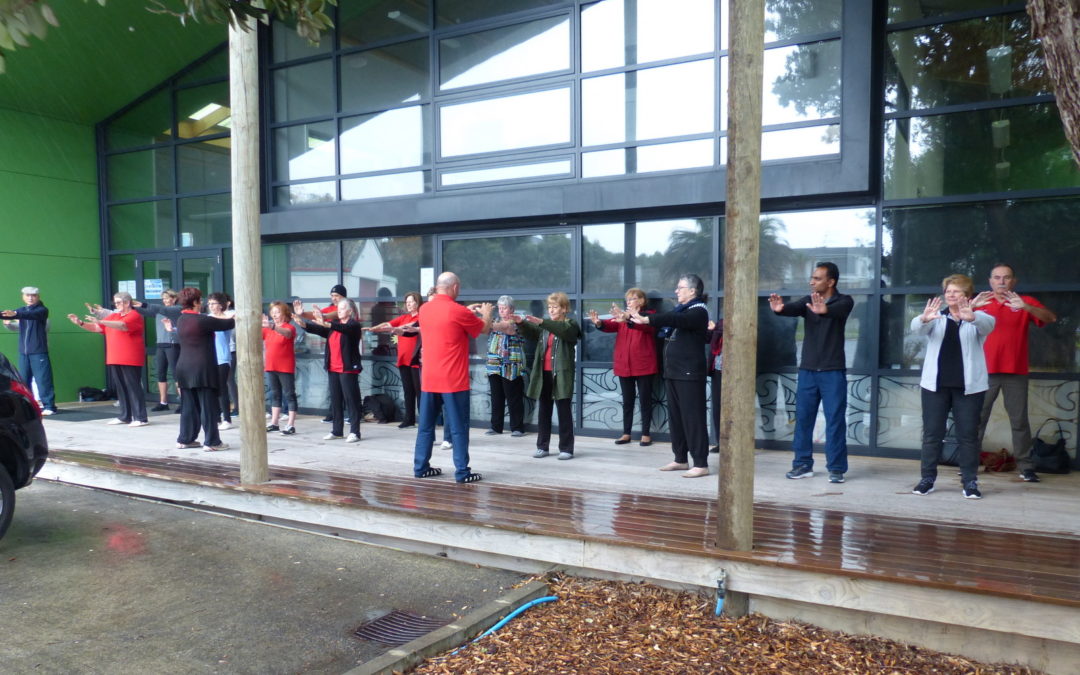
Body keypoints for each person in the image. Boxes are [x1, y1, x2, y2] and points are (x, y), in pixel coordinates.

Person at [910, 274, 996, 499]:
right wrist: (924, 319)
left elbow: (989, 326)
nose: (951, 295)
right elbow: (916, 328)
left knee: (968, 436)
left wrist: (972, 317)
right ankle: (927, 478)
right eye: (948, 291)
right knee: (931, 435)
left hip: (969, 388)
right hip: (935, 386)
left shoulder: (978, 318)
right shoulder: (937, 317)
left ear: (967, 295)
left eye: (956, 291)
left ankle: (970, 481)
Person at [971, 264, 1058, 483]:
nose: (1001, 281)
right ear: (990, 281)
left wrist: (1027, 307)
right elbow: (955, 324)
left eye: (1006, 278)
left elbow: (1050, 318)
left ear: (1014, 282)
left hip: (1015, 371)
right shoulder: (981, 302)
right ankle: (968, 464)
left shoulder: (1024, 301)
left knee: (1019, 421)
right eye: (997, 278)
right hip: (983, 372)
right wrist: (971, 308)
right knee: (976, 419)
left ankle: (1025, 467)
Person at [769, 262, 854, 484]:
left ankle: (836, 468)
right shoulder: (808, 300)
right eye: (812, 278)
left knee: (835, 420)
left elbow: (836, 311)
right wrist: (780, 309)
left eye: (817, 278)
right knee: (804, 419)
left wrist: (824, 310)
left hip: (832, 372)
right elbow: (793, 308)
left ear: (831, 281)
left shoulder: (844, 301)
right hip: (807, 371)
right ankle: (802, 465)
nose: (812, 281)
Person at [412, 272, 492, 483]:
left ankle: (421, 467)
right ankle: (462, 472)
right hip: (453, 380)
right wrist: (486, 313)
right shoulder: (457, 311)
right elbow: (483, 328)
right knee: (458, 427)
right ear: (455, 287)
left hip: (429, 378)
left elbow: (445, 317)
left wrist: (466, 310)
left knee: (426, 426)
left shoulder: (424, 309)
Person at [628, 275, 710, 478]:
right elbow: (663, 323)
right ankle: (680, 459)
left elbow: (675, 320)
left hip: (689, 373)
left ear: (692, 291)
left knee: (693, 419)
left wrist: (648, 318)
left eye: (680, 287)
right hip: (673, 372)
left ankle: (701, 463)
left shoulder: (698, 311)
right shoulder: (680, 310)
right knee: (676, 419)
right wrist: (631, 320)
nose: (676, 291)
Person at [168, 287, 235, 451]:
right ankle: (212, 442)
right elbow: (228, 323)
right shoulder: (203, 320)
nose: (202, 303)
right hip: (202, 368)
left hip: (183, 368)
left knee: (189, 406)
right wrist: (236, 315)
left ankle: (185, 439)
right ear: (196, 302)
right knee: (208, 406)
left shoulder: (181, 319)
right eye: (201, 300)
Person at [588, 288, 657, 447]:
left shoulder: (649, 315)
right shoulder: (622, 316)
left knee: (645, 400)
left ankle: (646, 434)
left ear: (641, 301)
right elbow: (610, 325)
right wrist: (598, 322)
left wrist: (629, 319)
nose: (629, 301)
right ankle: (626, 433)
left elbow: (646, 327)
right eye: (628, 299)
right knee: (627, 400)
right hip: (625, 364)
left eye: (633, 298)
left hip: (644, 364)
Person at [67, 291, 148, 427]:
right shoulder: (114, 316)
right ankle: (125, 416)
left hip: (130, 357)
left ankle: (140, 417)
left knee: (133, 387)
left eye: (118, 302)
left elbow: (122, 325)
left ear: (127, 302)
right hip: (114, 356)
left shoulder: (134, 315)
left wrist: (101, 320)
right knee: (121, 388)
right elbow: (97, 328)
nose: (116, 305)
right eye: (115, 303)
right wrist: (80, 323)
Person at [517, 292, 581, 460]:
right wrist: (521, 323)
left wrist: (543, 322)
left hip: (561, 375)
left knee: (563, 412)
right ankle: (542, 446)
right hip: (543, 374)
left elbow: (565, 332)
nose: (551, 310)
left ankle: (566, 448)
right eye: (550, 307)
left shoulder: (570, 324)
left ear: (564, 309)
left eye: (555, 307)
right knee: (544, 411)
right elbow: (531, 332)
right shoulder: (545, 326)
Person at [301, 298, 364, 442]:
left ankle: (355, 432)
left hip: (347, 368)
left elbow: (343, 329)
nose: (339, 311)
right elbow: (319, 329)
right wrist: (303, 324)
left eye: (342, 309)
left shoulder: (353, 325)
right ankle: (337, 431)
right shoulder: (334, 326)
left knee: (351, 400)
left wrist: (326, 323)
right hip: (333, 367)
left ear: (350, 311)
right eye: (338, 309)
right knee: (336, 400)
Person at [294, 284, 349, 423]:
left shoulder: (348, 307)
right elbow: (316, 317)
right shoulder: (330, 308)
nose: (334, 298)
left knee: (349, 389)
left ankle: (353, 414)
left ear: (344, 297)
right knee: (334, 388)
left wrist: (322, 316)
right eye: (332, 296)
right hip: (333, 353)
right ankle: (334, 416)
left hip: (348, 353)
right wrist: (302, 315)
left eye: (336, 296)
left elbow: (332, 315)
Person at [367, 291, 423, 429]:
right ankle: (409, 419)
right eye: (407, 302)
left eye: (411, 302)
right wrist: (374, 328)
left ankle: (424, 421)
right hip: (403, 359)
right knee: (408, 390)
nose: (409, 304)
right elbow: (388, 323)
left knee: (419, 391)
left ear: (418, 302)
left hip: (415, 360)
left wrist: (395, 328)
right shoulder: (403, 317)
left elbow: (408, 327)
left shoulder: (422, 317)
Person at [2, 286, 56, 415]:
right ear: (23, 297)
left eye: (33, 295)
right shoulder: (22, 310)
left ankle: (49, 406)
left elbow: (29, 315)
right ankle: (28, 407)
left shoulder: (42, 310)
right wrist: (11, 315)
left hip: (38, 351)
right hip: (24, 352)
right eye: (27, 295)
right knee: (24, 380)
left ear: (38, 297)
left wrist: (16, 314)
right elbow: (7, 314)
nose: (30, 298)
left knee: (43, 379)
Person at [132, 290, 183, 412]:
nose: (166, 301)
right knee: (160, 374)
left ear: (174, 299)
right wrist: (130, 305)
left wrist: (141, 304)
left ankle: (183, 402)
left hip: (173, 345)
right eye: (164, 299)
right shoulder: (158, 311)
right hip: (160, 345)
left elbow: (155, 308)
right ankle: (163, 402)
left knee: (176, 374)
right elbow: (142, 310)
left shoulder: (176, 310)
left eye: (168, 298)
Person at [485, 295, 527, 437]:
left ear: (512, 309)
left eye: (505, 308)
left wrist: (485, 318)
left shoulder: (517, 321)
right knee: (496, 397)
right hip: (494, 365)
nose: (502, 311)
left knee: (513, 397)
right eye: (500, 308)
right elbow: (486, 329)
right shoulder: (495, 321)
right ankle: (496, 426)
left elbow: (506, 328)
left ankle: (517, 427)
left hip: (511, 366)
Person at [262, 301, 298, 435]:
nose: (274, 315)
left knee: (289, 394)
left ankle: (290, 424)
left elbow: (287, 333)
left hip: (285, 366)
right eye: (272, 313)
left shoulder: (289, 327)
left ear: (284, 314)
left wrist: (272, 326)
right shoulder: (267, 328)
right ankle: (274, 422)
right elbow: (257, 336)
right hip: (271, 366)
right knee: (274, 394)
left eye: (277, 312)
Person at [207, 293, 235, 430]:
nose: (211, 306)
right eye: (209, 304)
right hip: (210, 357)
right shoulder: (207, 318)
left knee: (222, 387)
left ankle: (227, 419)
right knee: (213, 388)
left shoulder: (227, 318)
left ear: (221, 305)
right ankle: (216, 416)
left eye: (214, 303)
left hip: (223, 357)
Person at [708, 319, 724, 454]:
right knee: (718, 407)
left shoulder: (746, 321)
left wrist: (716, 329)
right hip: (718, 370)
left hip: (736, 372)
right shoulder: (720, 324)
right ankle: (721, 442)